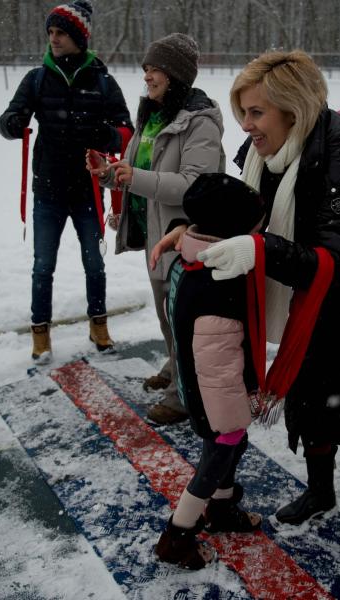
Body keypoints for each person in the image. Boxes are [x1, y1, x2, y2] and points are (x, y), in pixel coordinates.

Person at [153, 50, 340, 526]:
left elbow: (335, 261)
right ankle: (320, 491)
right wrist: (193, 228)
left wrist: (260, 249)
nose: (246, 125)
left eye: (256, 112)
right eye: (242, 111)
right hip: (308, 291)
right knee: (309, 397)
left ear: (293, 109)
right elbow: (240, 209)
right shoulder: (270, 152)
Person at [87, 33, 224, 425]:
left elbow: (194, 185)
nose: (147, 75)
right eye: (146, 67)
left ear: (177, 74)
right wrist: (108, 174)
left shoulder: (200, 122)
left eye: (156, 68)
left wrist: (136, 177)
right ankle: (175, 366)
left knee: (181, 318)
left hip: (186, 235)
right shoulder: (152, 114)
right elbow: (135, 170)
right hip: (154, 234)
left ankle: (182, 396)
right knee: (167, 316)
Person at [0, 2, 133, 362]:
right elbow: (9, 117)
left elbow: (126, 132)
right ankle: (40, 331)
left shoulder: (103, 81)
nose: (53, 39)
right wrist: (11, 124)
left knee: (95, 264)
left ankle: (98, 324)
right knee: (43, 265)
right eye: (51, 33)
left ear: (78, 37)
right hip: (48, 191)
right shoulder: (37, 78)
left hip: (88, 191)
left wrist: (107, 135)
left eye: (61, 33)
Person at [154, 173, 264, 570]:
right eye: (257, 224)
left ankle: (221, 511)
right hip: (214, 391)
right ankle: (177, 535)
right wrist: (231, 414)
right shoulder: (220, 281)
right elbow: (217, 358)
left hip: (198, 383)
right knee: (219, 453)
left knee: (231, 446)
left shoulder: (193, 258)